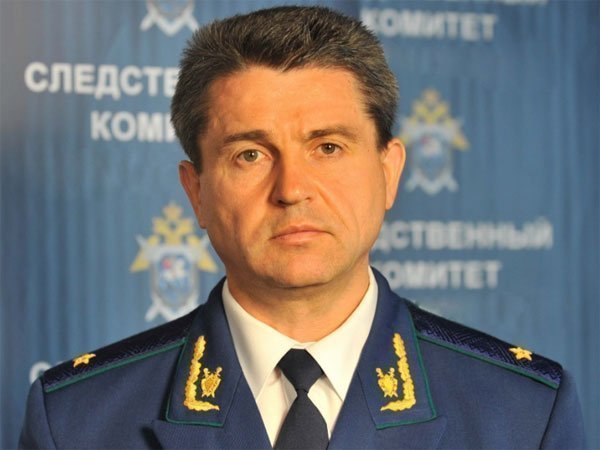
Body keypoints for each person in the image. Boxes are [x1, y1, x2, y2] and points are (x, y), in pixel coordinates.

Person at [19, 6, 584, 449]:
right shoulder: (75, 421)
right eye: (250, 155)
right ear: (196, 192)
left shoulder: (524, 413)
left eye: (328, 147)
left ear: (389, 173)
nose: (292, 188)